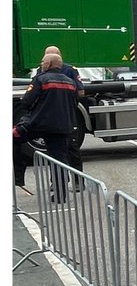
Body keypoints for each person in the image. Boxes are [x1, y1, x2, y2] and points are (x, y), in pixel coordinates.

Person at [15, 53, 83, 200]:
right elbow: (74, 104)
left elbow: (27, 102)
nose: (42, 64)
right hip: (62, 127)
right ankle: (60, 195)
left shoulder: (41, 80)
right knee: (59, 160)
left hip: (39, 124)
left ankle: (17, 177)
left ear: (49, 64)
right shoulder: (71, 83)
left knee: (13, 139)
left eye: (44, 62)